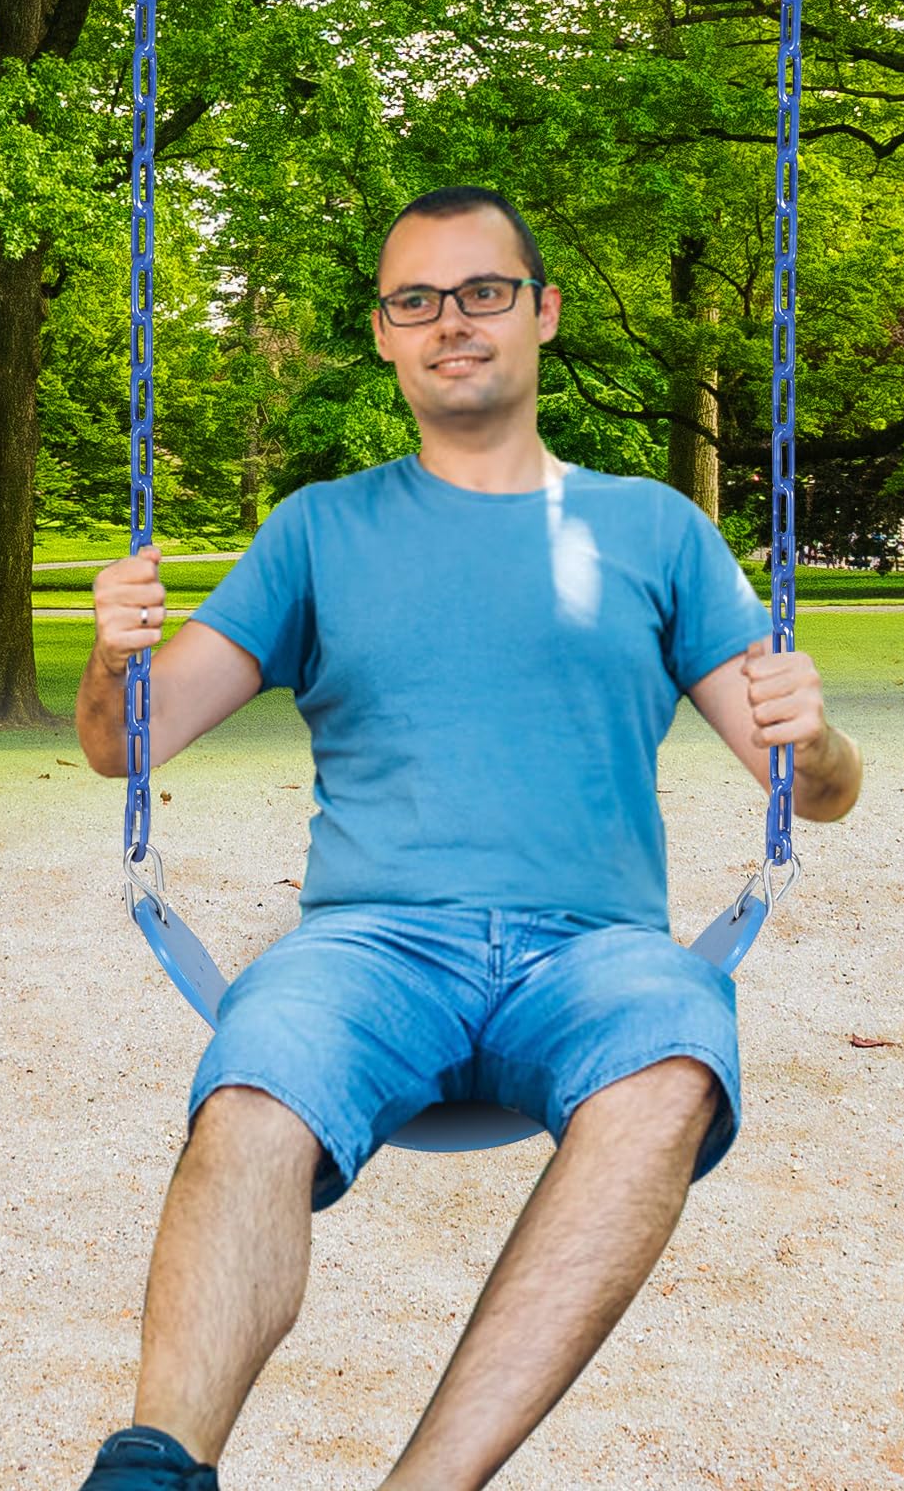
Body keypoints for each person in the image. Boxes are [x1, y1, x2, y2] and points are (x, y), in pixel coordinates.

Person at [72, 186, 863, 1491]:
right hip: (368, 950)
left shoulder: (655, 529)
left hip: (596, 956)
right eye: (417, 300)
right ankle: (154, 1468)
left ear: (542, 312)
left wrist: (813, 740)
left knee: (679, 1054)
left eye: (483, 292)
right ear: (385, 333)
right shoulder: (319, 529)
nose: (451, 322)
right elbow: (126, 745)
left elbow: (813, 790)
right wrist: (115, 661)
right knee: (256, 1079)